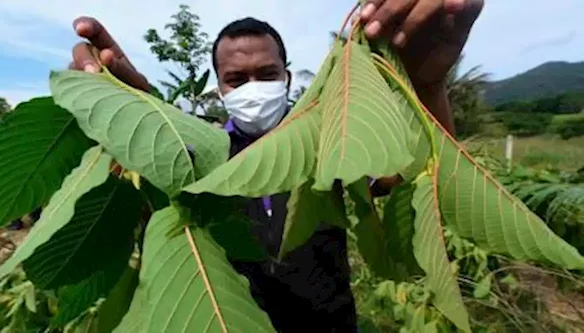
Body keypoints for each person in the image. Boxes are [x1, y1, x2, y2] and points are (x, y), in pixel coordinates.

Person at [69, 0, 483, 331]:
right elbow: (146, 184)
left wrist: (427, 84)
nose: (253, 88)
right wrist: (126, 115)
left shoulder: (329, 140)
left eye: (266, 74)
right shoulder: (199, 152)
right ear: (219, 88)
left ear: (286, 77)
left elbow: (415, 174)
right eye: (237, 78)